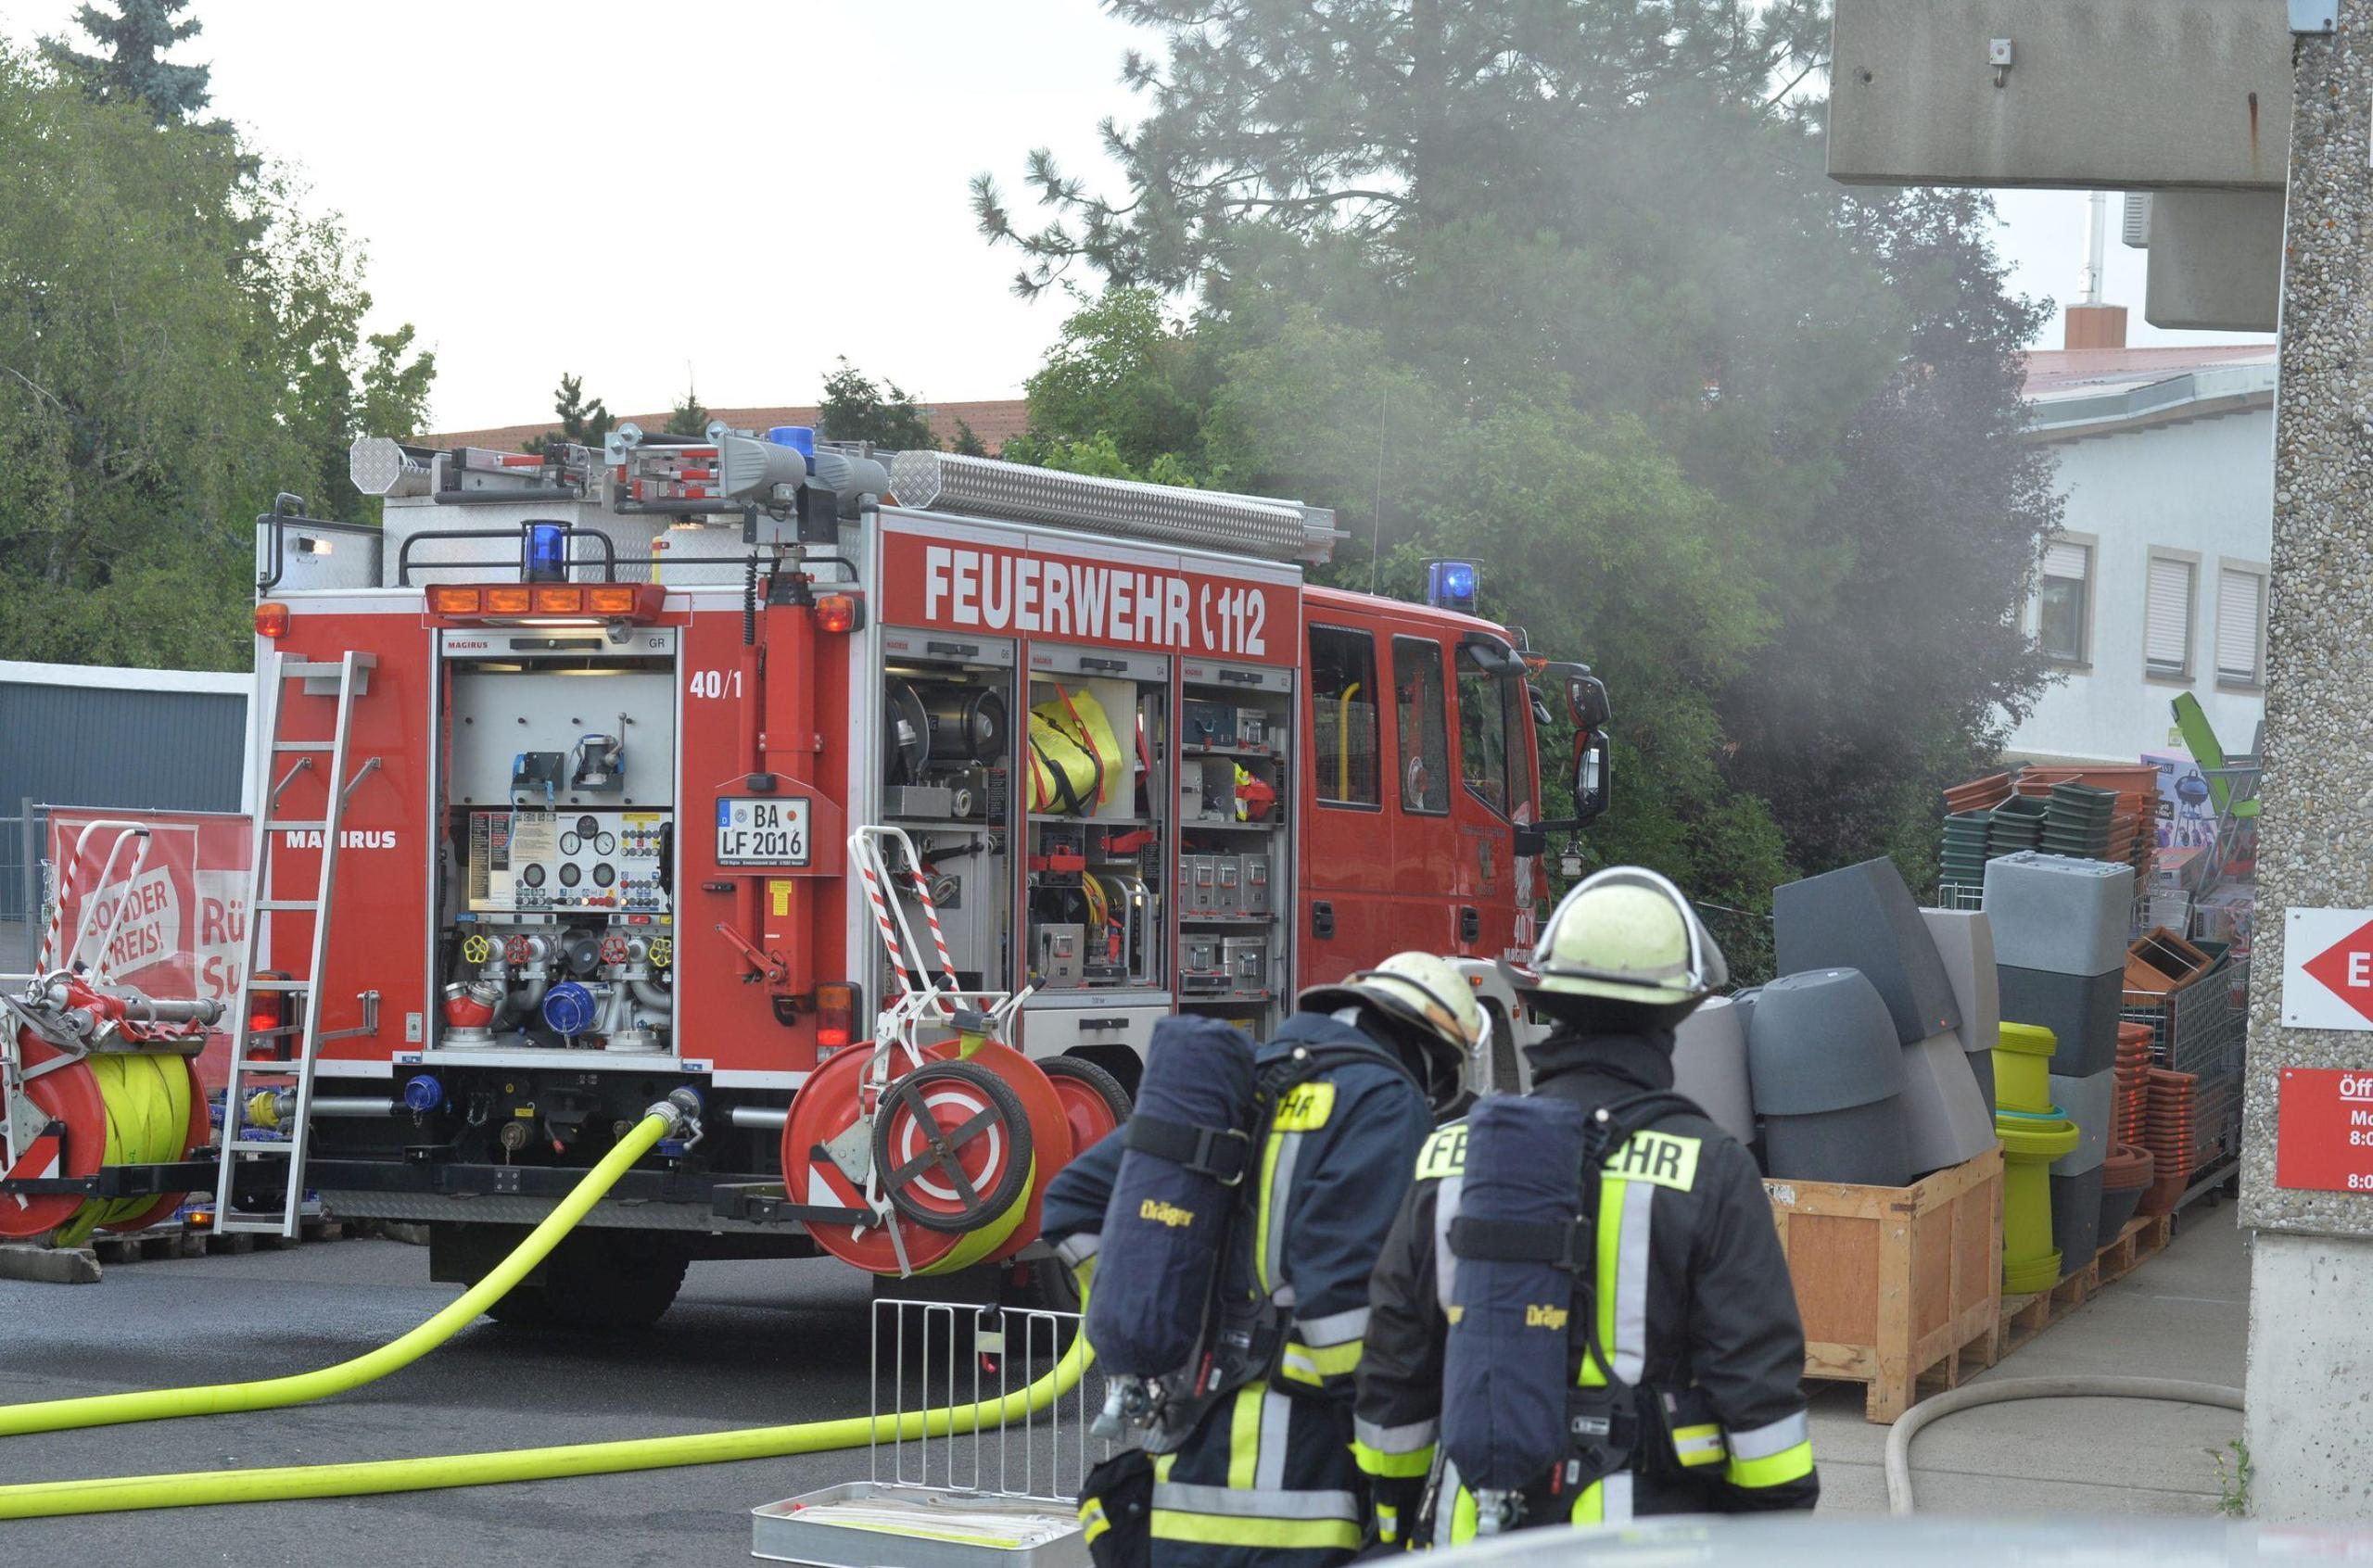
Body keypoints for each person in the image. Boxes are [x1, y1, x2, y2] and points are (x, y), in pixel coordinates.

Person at [1355, 867, 1818, 1544]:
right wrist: (1775, 1532)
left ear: (1552, 1003)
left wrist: (1394, 1516)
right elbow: (1755, 1385)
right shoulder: (1709, 1167)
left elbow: (1398, 1357)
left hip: (1471, 1531)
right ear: (1673, 1017)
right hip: (1643, 1536)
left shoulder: (1452, 1154)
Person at [1044, 953, 1484, 1568]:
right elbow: (1345, 1309)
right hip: (1297, 1485)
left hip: (1183, 1467)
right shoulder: (1384, 1099)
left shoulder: (1242, 1082)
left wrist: (1161, 1307)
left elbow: (1072, 1202)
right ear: (1434, 1054)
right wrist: (1391, 1463)